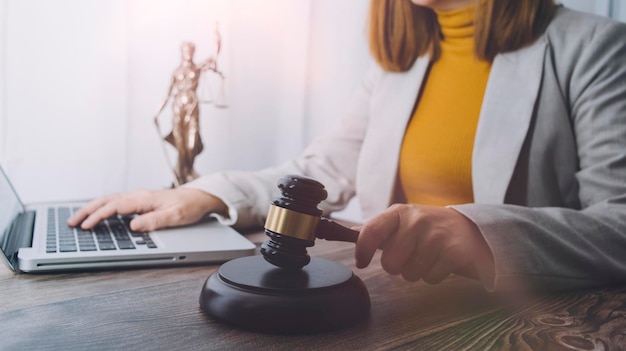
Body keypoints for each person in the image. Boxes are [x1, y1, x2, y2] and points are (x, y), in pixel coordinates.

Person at [69, 0, 626, 293]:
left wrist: (476, 232)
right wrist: (207, 195)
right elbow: (320, 169)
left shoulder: (595, 47)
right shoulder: (400, 65)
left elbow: (619, 226)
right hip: (391, 308)